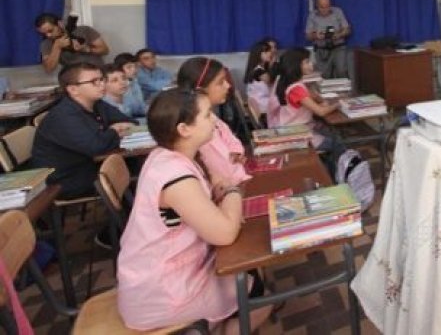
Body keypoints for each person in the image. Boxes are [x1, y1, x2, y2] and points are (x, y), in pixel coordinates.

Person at [116, 88, 271, 331]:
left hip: (163, 272)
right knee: (261, 299)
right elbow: (225, 233)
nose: (215, 120)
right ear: (184, 129)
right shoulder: (175, 177)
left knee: (250, 271)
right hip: (163, 291)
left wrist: (223, 193)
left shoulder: (168, 156)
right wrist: (232, 191)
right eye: (208, 115)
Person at [31, 62, 135, 199]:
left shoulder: (97, 103)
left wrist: (108, 133)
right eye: (94, 81)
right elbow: (97, 147)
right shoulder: (64, 116)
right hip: (66, 178)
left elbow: (130, 122)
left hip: (89, 164)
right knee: (130, 172)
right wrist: (114, 131)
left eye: (101, 79)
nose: (102, 84)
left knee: (135, 166)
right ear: (73, 89)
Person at [270, 47, 345, 176]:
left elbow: (313, 97)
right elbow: (321, 112)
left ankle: (328, 168)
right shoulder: (297, 89)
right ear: (296, 65)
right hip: (295, 134)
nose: (311, 64)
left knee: (330, 132)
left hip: (292, 128)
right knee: (336, 143)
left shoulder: (291, 82)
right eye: (306, 62)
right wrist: (339, 104)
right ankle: (334, 177)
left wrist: (317, 98)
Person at [176, 57, 250, 186]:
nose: (228, 85)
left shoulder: (212, 118)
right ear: (199, 90)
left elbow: (230, 139)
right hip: (221, 189)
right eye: (221, 82)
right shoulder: (195, 129)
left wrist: (236, 151)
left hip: (235, 181)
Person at [34, 12, 110, 72]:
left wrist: (86, 49)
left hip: (97, 70)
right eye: (43, 34)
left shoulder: (84, 30)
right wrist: (57, 47)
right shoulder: (46, 44)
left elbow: (105, 50)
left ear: (60, 24)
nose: (48, 35)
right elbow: (49, 68)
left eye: (50, 31)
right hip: (74, 77)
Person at [305, 0, 351, 78]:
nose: (325, 9)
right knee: (324, 76)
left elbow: (347, 29)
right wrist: (316, 36)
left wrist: (338, 35)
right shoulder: (312, 16)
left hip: (338, 47)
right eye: (322, 7)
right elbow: (308, 35)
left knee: (342, 71)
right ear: (317, 5)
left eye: (327, 6)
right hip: (321, 50)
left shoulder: (338, 12)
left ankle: (344, 90)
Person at [243, 39, 276, 115]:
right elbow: (270, 80)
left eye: (270, 51)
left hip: (263, 103)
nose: (270, 54)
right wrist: (272, 64)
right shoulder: (258, 71)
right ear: (258, 54)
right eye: (266, 52)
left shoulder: (261, 69)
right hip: (261, 107)